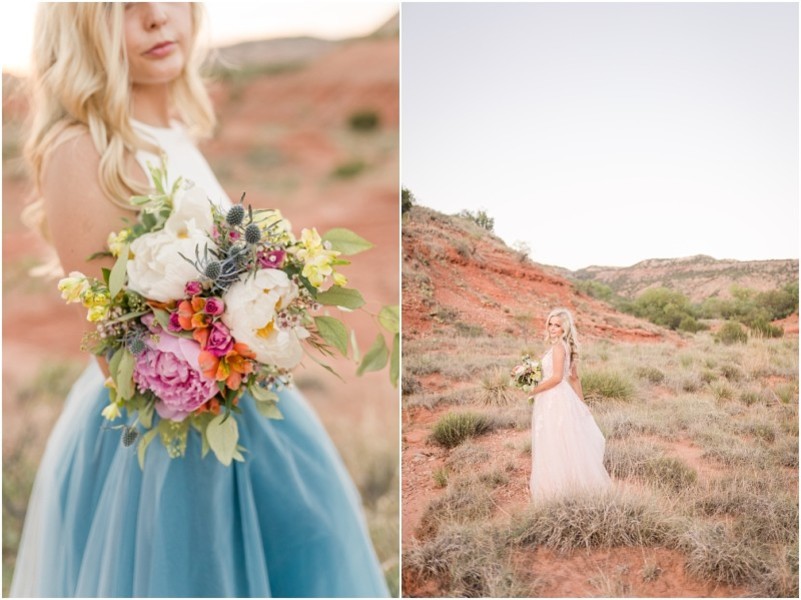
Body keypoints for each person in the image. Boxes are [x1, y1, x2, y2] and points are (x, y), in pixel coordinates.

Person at [10, 4, 389, 597]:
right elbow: (117, 351)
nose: (158, 19)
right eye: (126, 8)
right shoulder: (81, 150)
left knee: (311, 546)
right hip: (164, 440)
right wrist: (226, 338)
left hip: (247, 406)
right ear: (81, 25)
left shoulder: (177, 132)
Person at [528, 308, 612, 501]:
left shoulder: (558, 348)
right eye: (550, 323)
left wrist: (533, 390)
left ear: (564, 328)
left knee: (554, 441)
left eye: (557, 325)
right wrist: (582, 405)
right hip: (563, 398)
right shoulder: (567, 347)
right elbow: (574, 379)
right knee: (564, 440)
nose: (552, 328)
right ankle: (572, 484)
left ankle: (556, 489)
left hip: (553, 399)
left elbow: (557, 378)